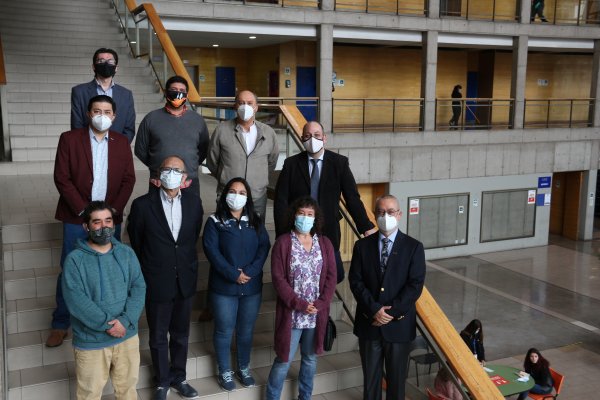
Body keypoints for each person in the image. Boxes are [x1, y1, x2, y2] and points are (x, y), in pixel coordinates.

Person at [48, 94, 136, 348]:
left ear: (114, 116)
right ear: (88, 114)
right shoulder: (69, 139)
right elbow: (61, 177)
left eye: (107, 112)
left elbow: (128, 179)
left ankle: (110, 318)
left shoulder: (121, 142)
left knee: (110, 268)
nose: (102, 116)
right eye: (97, 111)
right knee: (70, 268)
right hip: (76, 217)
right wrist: (83, 211)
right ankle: (60, 323)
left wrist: (113, 210)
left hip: (109, 218)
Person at [127, 156, 203, 400]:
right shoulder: (142, 205)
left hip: (185, 279)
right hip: (157, 279)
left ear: (185, 177)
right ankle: (161, 381)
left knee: (181, 334)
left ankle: (179, 377)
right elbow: (137, 241)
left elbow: (191, 237)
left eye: (177, 170)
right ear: (159, 175)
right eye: (167, 169)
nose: (172, 173)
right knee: (158, 335)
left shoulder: (194, 202)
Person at [274, 121, 376, 283]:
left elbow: (352, 197)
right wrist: (282, 233)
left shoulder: (339, 163)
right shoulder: (291, 164)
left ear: (324, 138)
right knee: (300, 275)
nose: (312, 139)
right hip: (298, 229)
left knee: (334, 275)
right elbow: (281, 200)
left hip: (328, 229)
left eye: (316, 135)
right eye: (307, 136)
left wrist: (365, 226)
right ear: (302, 138)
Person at [62, 201, 145, 400]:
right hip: (92, 341)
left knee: (128, 391)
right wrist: (109, 325)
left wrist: (125, 321)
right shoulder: (74, 260)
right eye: (97, 222)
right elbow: (76, 300)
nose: (104, 226)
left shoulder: (126, 253)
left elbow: (139, 287)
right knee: (89, 395)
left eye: (108, 221)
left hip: (127, 336)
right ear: (86, 226)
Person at [348, 194, 426, 400]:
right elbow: (355, 281)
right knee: (371, 385)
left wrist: (390, 313)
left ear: (399, 214)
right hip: (369, 324)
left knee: (397, 385)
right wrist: (374, 309)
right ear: (375, 215)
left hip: (399, 326)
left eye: (390, 212)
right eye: (381, 212)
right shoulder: (362, 246)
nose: (386, 216)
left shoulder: (413, 247)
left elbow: (415, 285)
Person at [265, 196, 337, 400]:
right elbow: (278, 279)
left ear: (316, 218)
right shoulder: (283, 243)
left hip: (316, 314)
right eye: (301, 213)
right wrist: (300, 304)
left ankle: (305, 397)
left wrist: (321, 304)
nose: (305, 218)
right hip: (293, 314)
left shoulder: (324, 243)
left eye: (310, 214)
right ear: (294, 215)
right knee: (283, 360)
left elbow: (331, 277)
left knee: (310, 359)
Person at [202, 177, 270, 391]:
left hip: (251, 286)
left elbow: (264, 247)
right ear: (225, 195)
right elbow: (211, 251)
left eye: (242, 193)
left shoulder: (255, 220)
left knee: (246, 331)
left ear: (247, 197)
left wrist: (250, 271)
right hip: (224, 288)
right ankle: (224, 371)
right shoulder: (215, 221)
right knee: (224, 331)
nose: (237, 196)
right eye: (233, 191)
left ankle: (243, 368)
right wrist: (233, 274)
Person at [207, 90, 279, 219]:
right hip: (228, 195)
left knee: (255, 229)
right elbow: (212, 161)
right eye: (241, 103)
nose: (245, 107)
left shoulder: (268, 133)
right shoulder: (221, 130)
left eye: (250, 103)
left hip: (257, 197)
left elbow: (271, 162)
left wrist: (257, 179)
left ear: (256, 107)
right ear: (235, 106)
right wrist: (224, 177)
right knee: (226, 229)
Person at [135, 75, 209, 197]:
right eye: (174, 90)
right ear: (166, 92)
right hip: (159, 181)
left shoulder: (198, 120)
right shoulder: (151, 118)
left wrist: (190, 165)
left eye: (182, 91)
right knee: (156, 209)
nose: (178, 93)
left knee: (191, 209)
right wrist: (156, 166)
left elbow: (203, 150)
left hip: (189, 181)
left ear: (187, 95)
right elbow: (140, 149)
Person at [71, 48, 136, 143]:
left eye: (110, 61)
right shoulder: (79, 91)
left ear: (116, 67)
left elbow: (129, 128)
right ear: (94, 66)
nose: (106, 64)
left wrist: (119, 147)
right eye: (101, 61)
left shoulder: (126, 94)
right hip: (87, 146)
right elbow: (77, 126)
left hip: (117, 147)